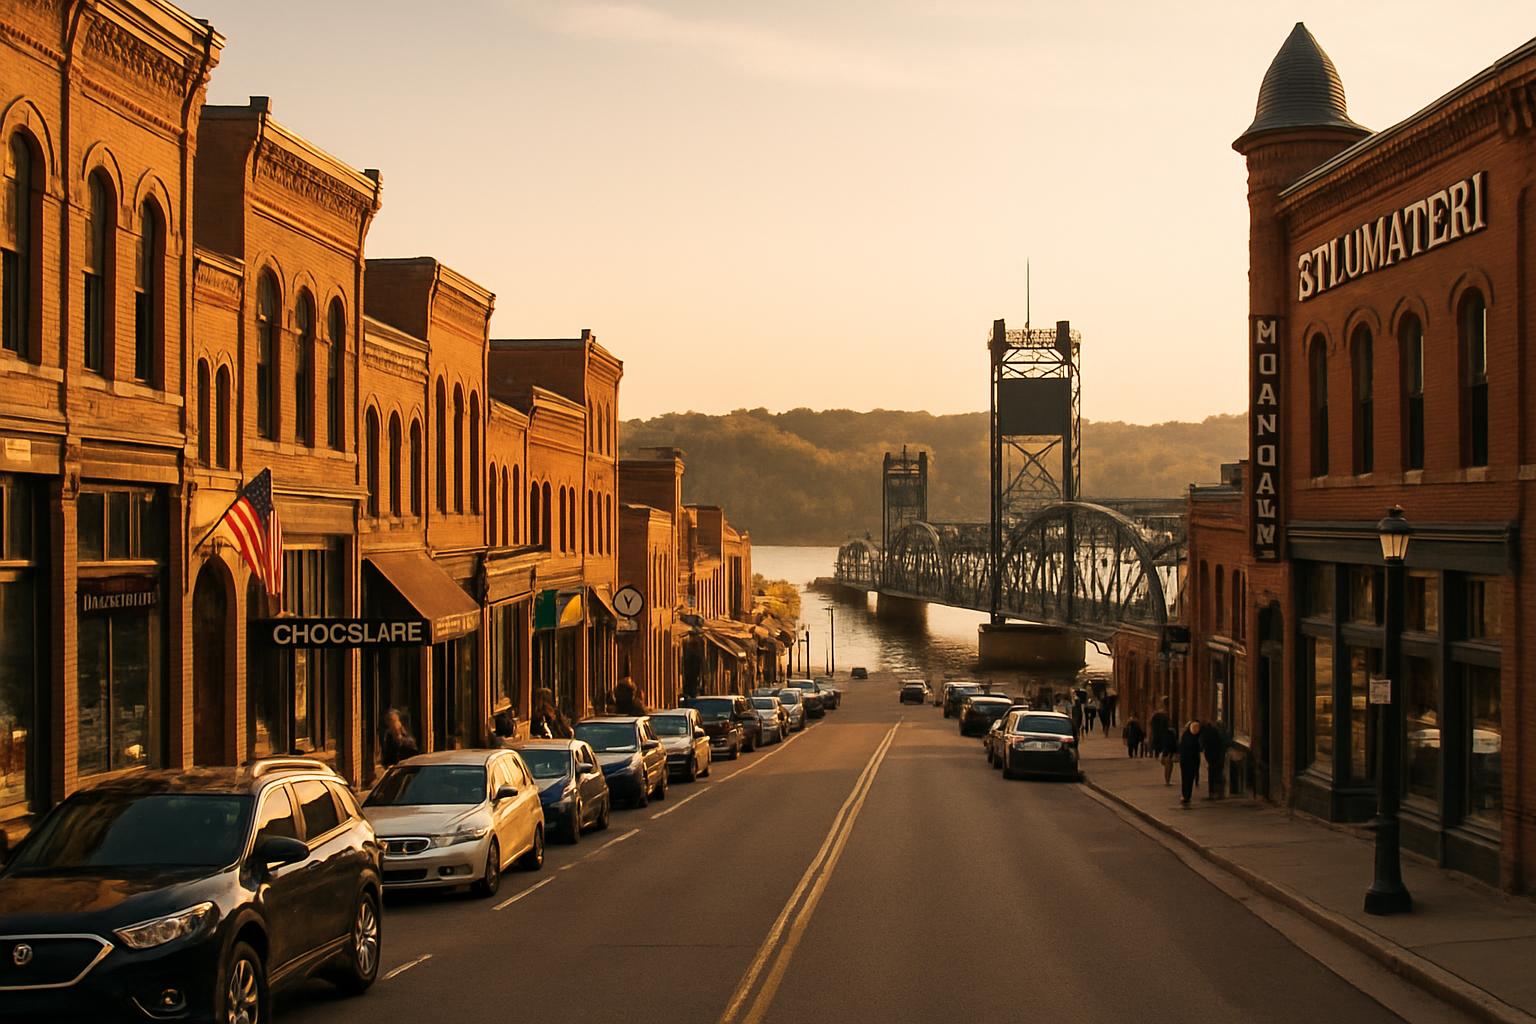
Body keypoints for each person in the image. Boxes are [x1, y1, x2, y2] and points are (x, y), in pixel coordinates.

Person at [1177, 720, 1203, 806]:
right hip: (1186, 760)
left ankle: (1187, 795)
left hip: (1192, 760)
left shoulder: (1195, 737)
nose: (1196, 730)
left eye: (1197, 728)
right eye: (1194, 728)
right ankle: (1185, 795)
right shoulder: (1187, 736)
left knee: (1190, 778)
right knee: (1185, 778)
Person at [1202, 718, 1228, 799]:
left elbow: (1206, 745)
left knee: (1214, 774)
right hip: (1218, 757)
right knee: (1218, 774)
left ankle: (1214, 792)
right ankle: (1219, 792)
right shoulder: (1221, 735)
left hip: (1213, 757)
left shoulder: (1213, 734)